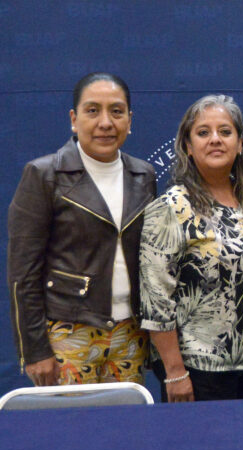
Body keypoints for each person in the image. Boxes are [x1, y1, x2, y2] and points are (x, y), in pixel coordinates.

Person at [7, 72, 156, 386]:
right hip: (66, 334)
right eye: (92, 110)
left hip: (131, 334)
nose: (105, 122)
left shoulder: (144, 175)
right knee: (69, 432)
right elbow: (23, 274)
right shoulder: (44, 174)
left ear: (129, 120)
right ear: (74, 119)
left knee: (124, 430)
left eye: (116, 111)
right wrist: (34, 351)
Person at [140, 95, 243, 402]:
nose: (215, 140)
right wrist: (175, 372)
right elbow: (156, 302)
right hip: (196, 371)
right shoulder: (170, 208)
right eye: (203, 132)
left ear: (240, 143)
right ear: (188, 145)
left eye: (225, 132)